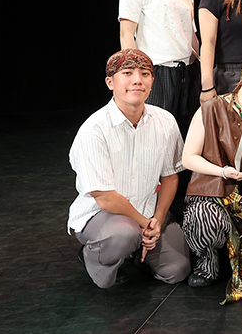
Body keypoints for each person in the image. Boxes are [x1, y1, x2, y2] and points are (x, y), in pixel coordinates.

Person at [67, 49, 190, 288]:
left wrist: (157, 219)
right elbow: (104, 197)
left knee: (177, 270)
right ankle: (93, 255)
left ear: (152, 81)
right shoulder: (94, 129)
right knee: (123, 234)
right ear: (110, 82)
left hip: (148, 211)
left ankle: (138, 253)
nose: (137, 80)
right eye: (127, 73)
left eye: (144, 74)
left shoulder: (165, 121)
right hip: (104, 215)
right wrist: (144, 224)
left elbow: (170, 177)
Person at [181, 48, 242, 302]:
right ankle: (207, 260)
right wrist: (223, 172)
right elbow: (188, 158)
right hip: (211, 194)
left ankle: (232, 255)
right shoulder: (211, 108)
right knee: (206, 220)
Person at [119, 0, 199, 134]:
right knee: (155, 138)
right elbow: (127, 34)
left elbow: (191, 38)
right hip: (157, 72)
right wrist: (135, 75)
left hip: (188, 73)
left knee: (184, 138)